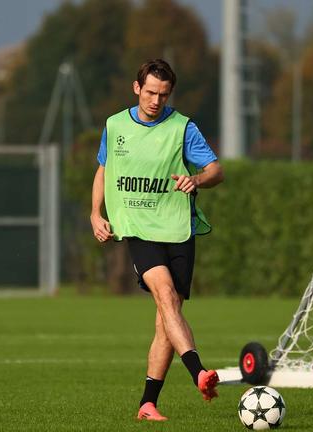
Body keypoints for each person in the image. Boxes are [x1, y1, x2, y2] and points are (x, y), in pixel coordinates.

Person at [90, 59, 224, 421]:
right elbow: (104, 169)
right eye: (150, 92)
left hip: (178, 228)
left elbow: (215, 170)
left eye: (163, 95)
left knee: (168, 315)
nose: (155, 100)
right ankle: (199, 373)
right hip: (138, 228)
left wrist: (195, 180)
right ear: (137, 88)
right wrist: (95, 214)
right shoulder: (115, 125)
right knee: (165, 296)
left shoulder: (182, 128)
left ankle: (147, 404)